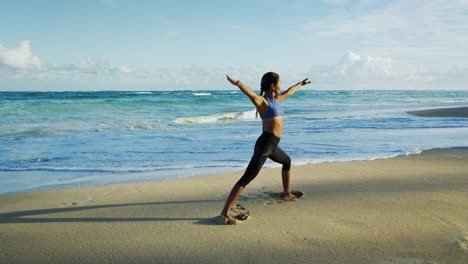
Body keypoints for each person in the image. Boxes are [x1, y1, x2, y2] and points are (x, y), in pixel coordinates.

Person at [216, 72, 311, 225]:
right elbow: (252, 95)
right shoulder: (263, 102)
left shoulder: (278, 100)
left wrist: (300, 84)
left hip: (273, 145)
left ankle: (287, 194)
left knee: (287, 161)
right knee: (247, 178)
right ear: (273, 85)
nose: (281, 86)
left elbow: (290, 91)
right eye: (279, 83)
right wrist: (239, 84)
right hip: (265, 145)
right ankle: (225, 212)